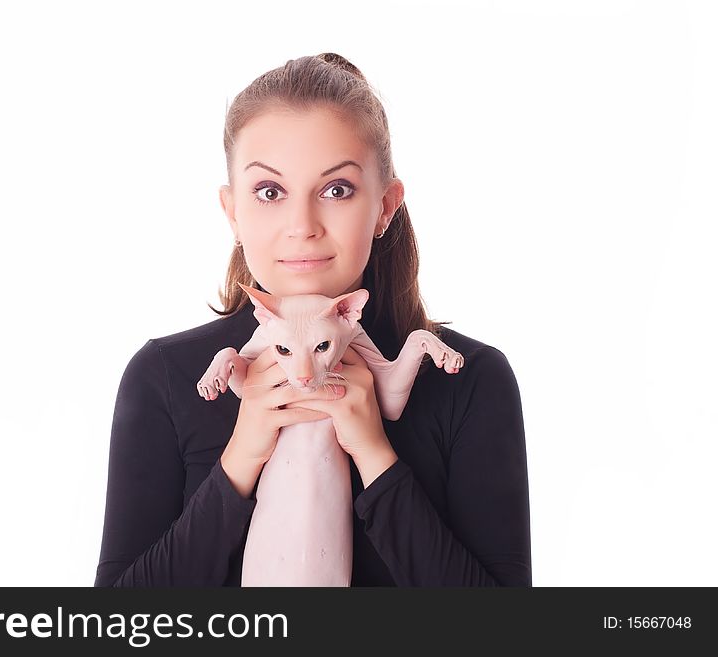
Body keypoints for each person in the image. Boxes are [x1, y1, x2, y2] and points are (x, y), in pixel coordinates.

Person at [94, 53, 532, 587]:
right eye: (270, 192)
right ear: (233, 212)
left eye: (337, 189)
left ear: (386, 206)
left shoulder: (467, 379)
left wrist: (375, 457)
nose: (301, 226)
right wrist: (240, 460)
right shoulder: (165, 376)